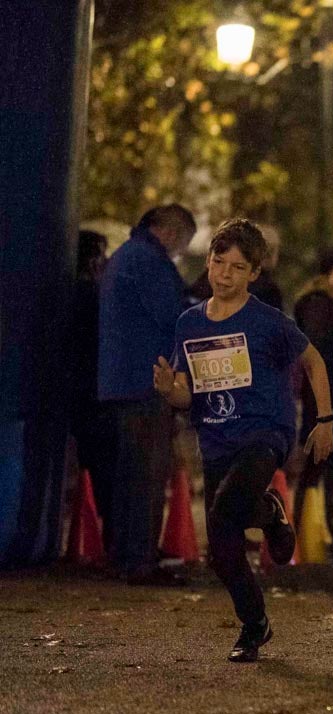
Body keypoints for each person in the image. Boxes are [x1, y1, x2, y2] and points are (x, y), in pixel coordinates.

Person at [153, 218, 333, 661]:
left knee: (226, 506)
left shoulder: (268, 320)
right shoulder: (189, 323)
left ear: (254, 273)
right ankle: (255, 623)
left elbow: (314, 363)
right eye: (219, 262)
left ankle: (266, 511)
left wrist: (325, 420)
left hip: (265, 433)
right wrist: (167, 390)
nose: (225, 273)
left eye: (238, 267)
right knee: (222, 549)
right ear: (209, 262)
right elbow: (184, 391)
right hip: (216, 440)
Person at [98, 204, 195, 585]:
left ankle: (124, 554)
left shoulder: (125, 256)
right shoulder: (150, 262)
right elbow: (174, 317)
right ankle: (139, 560)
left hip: (120, 381)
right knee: (148, 475)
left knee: (129, 474)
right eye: (182, 245)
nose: (179, 253)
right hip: (146, 382)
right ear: (171, 233)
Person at [292, 243, 333, 546]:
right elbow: (317, 350)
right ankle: (302, 532)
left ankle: (332, 533)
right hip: (322, 394)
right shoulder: (318, 303)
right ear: (327, 271)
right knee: (318, 461)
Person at [69, 231, 113, 514]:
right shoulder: (93, 296)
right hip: (94, 390)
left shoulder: (68, 292)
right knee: (102, 464)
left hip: (76, 388)